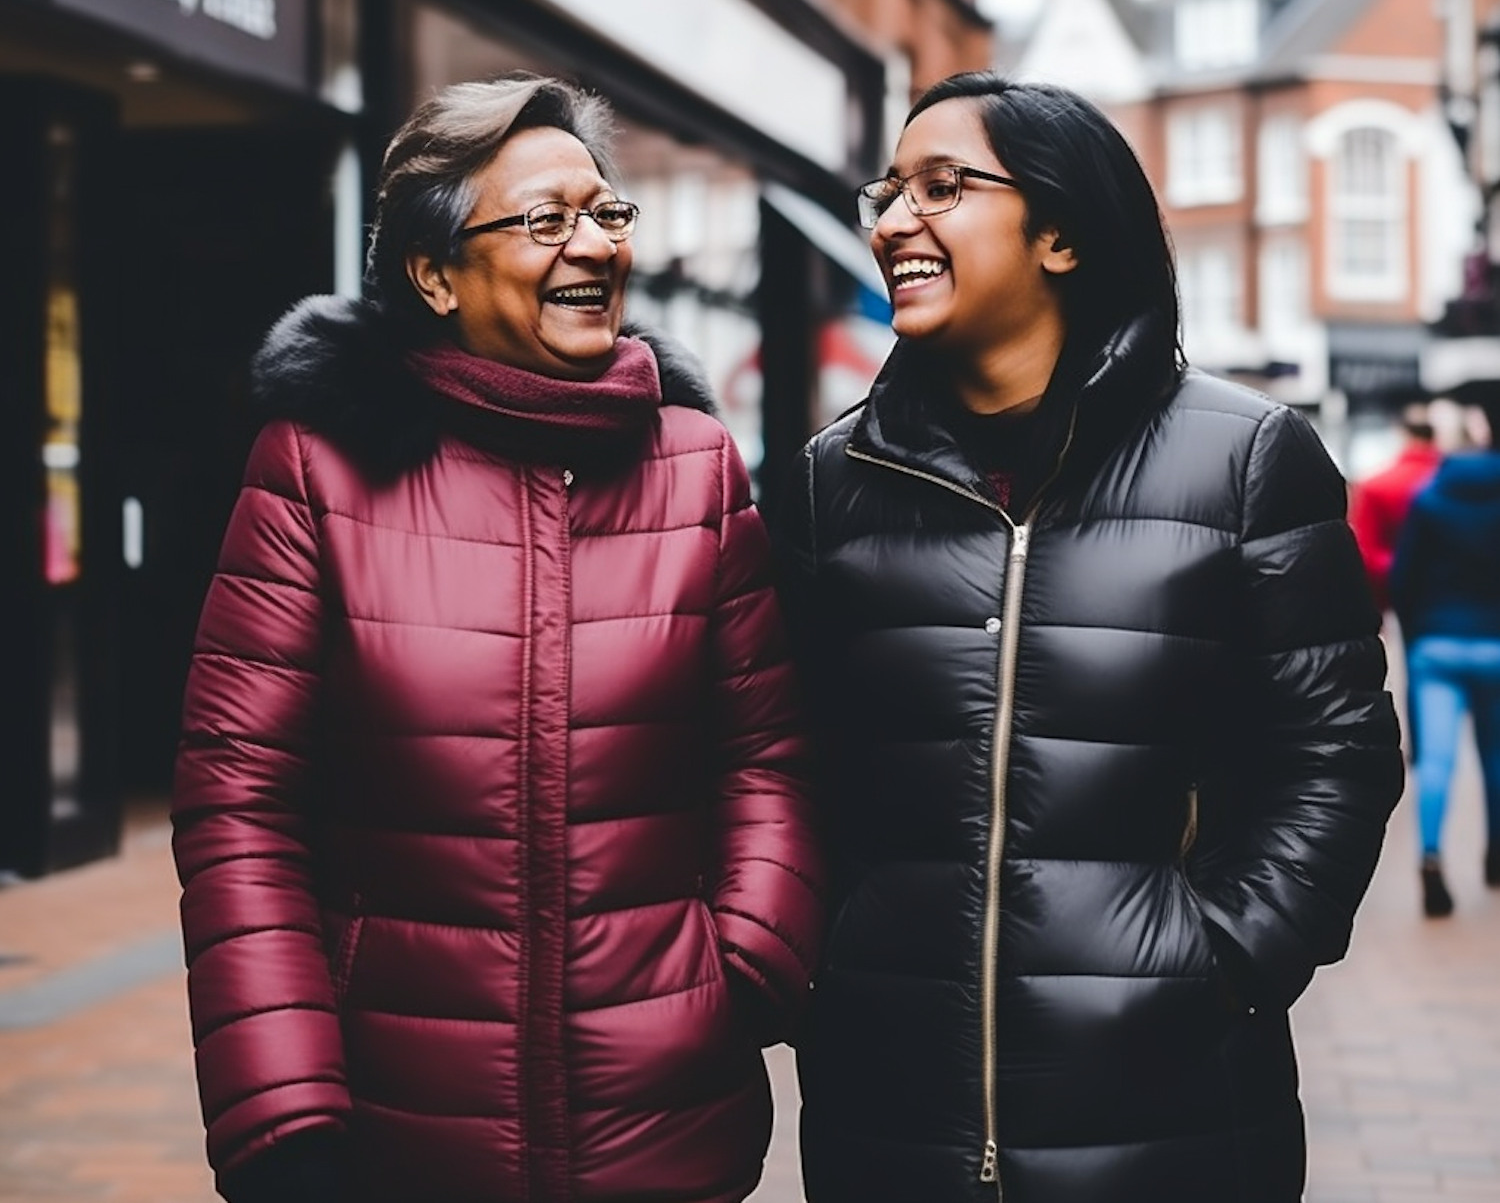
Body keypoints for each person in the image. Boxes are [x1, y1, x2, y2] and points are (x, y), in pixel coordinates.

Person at [171, 73, 823, 1203]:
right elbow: (240, 806)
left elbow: (764, 755)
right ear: (433, 272)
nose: (594, 246)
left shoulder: (694, 467)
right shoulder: (317, 470)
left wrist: (745, 965)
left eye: (606, 212)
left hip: (667, 1127)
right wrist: (284, 1115)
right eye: (545, 220)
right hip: (398, 1128)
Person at [774, 71, 1404, 1203]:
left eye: (943, 186)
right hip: (890, 1108)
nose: (894, 221)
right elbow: (786, 761)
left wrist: (1220, 962)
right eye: (889, 190)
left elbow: (1336, 758)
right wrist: (827, 962)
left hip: (1175, 1110)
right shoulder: (833, 482)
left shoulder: (1247, 459)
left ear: (1060, 234)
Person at [1389, 389, 1500, 918]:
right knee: (1495, 757)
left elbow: (1403, 579)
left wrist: (1416, 633)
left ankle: (1431, 858)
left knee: (1436, 761)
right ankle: (1496, 854)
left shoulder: (1432, 499)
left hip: (1436, 645)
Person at [1349, 401, 1442, 758]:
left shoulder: (1377, 485)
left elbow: (1367, 550)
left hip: (1398, 593)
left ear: (1402, 435)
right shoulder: (1451, 480)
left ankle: (1413, 740)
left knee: (1410, 671)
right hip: (1456, 595)